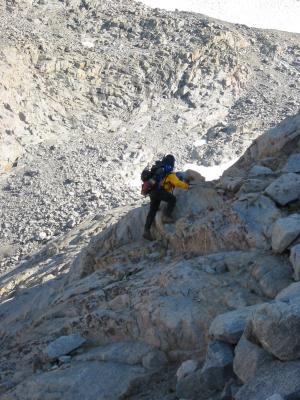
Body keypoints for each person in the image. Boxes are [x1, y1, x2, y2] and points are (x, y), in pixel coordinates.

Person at [143, 154, 189, 241]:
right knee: (172, 199)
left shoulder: (157, 171)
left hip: (152, 192)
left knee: (152, 210)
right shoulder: (169, 173)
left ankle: (146, 230)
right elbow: (177, 183)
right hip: (159, 192)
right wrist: (187, 186)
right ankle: (167, 215)